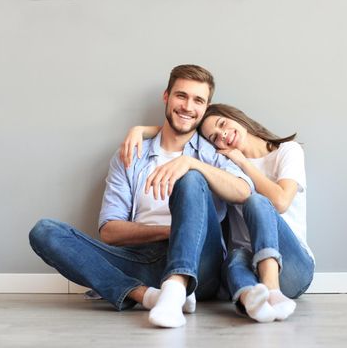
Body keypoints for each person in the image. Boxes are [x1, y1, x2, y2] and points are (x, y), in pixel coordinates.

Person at [29, 65, 254, 328]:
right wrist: (174, 230)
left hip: (201, 265)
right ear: (166, 96)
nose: (188, 106)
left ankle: (177, 286)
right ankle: (147, 296)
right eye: (181, 96)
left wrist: (191, 165)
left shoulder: (213, 154)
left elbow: (243, 191)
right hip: (142, 261)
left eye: (198, 100)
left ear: (206, 107)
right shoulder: (130, 155)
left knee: (191, 178)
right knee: (44, 231)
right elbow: (110, 231)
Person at [121, 103, 315, 323]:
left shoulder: (286, 151)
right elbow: (182, 132)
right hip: (250, 269)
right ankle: (251, 301)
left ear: (236, 116)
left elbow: (280, 201)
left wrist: (243, 162)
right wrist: (140, 130)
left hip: (293, 266)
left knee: (256, 202)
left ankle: (273, 291)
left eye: (223, 124)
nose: (223, 135)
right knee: (232, 259)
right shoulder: (223, 165)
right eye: (214, 138)